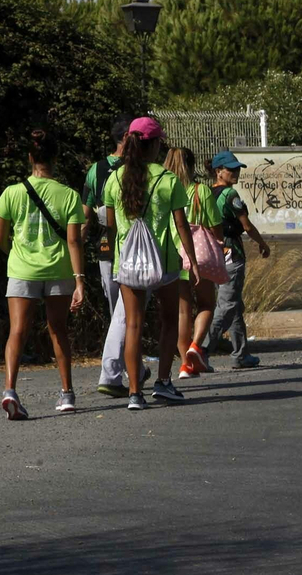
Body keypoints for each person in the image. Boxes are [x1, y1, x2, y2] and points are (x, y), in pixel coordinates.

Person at [104, 117, 199, 410]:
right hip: (165, 263)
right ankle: (163, 381)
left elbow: (110, 226)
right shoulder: (167, 179)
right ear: (155, 144)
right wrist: (192, 260)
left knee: (133, 325)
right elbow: (181, 225)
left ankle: (134, 393)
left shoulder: (114, 179)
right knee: (169, 320)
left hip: (127, 263)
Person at [0, 130, 86, 418]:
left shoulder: (12, 192)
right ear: (55, 158)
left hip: (22, 270)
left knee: (17, 331)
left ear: (30, 157)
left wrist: (16, 255)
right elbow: (74, 241)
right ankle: (67, 393)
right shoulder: (69, 195)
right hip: (59, 269)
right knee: (58, 329)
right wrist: (79, 280)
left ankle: (10, 390)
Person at [87, 115, 149, 397]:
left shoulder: (97, 170)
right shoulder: (137, 170)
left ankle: (131, 368)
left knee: (121, 313)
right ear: (127, 137)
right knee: (125, 315)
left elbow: (87, 211)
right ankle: (116, 371)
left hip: (106, 246)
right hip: (131, 249)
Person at [163, 146, 223, 379]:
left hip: (172, 255)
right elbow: (215, 225)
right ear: (191, 165)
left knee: (182, 311)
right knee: (207, 304)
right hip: (198, 255)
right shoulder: (201, 191)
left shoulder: (164, 189)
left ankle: (185, 365)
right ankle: (195, 347)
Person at [207, 151, 269, 369]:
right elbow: (246, 226)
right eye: (230, 169)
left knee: (233, 305)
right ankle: (202, 349)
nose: (236, 173)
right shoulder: (230, 195)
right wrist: (262, 243)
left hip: (213, 254)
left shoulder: (208, 193)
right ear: (218, 171)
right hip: (231, 252)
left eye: (237, 169)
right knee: (227, 305)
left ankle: (241, 354)